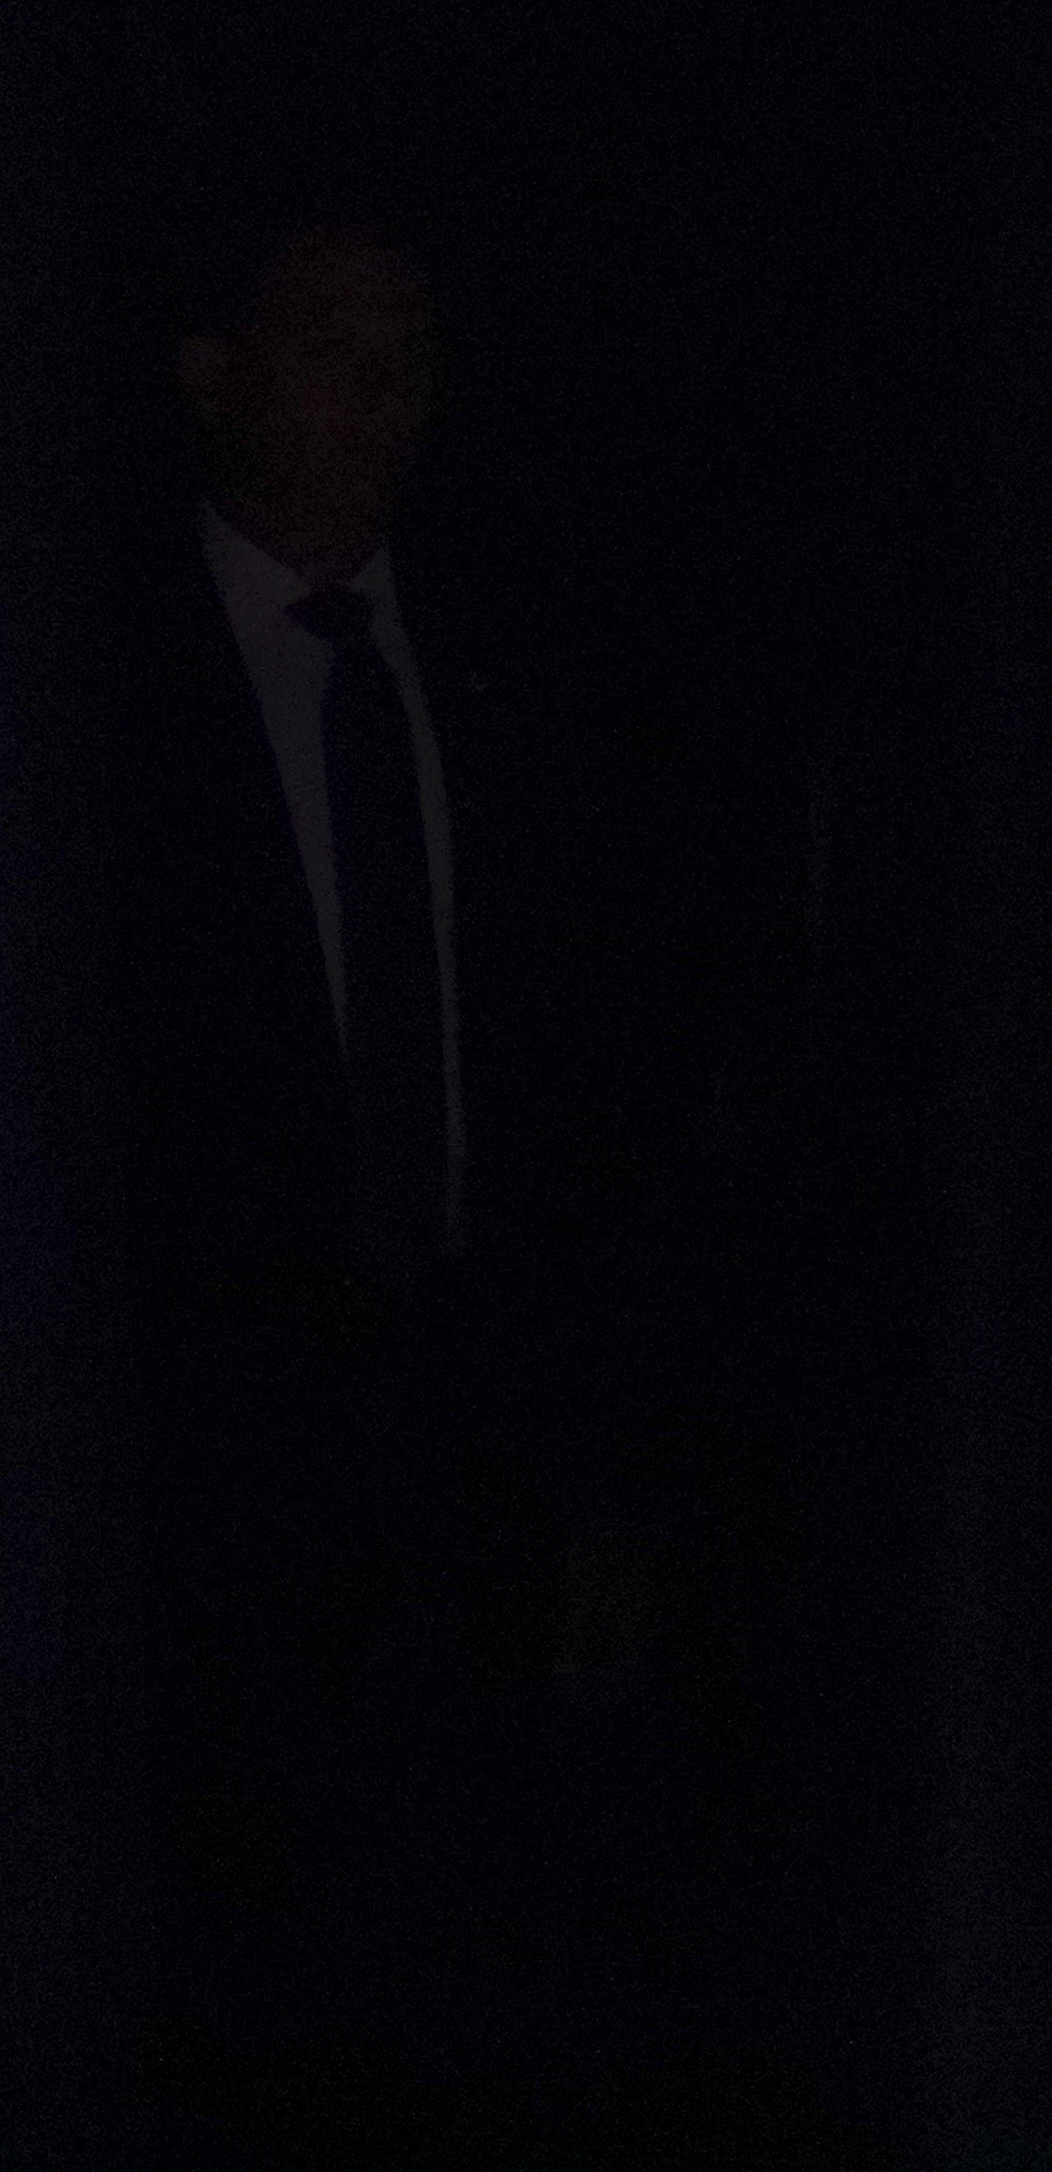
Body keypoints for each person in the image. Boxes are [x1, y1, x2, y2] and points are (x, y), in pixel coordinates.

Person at [112, 214, 649, 2161]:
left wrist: (589, 1463)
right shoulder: (96, 693)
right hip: (194, 1485)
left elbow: (586, 1102)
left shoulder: (511, 682)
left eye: (408, 352)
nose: (379, 396)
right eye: (331, 343)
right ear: (212, 369)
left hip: (481, 1465)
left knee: (481, 1983)